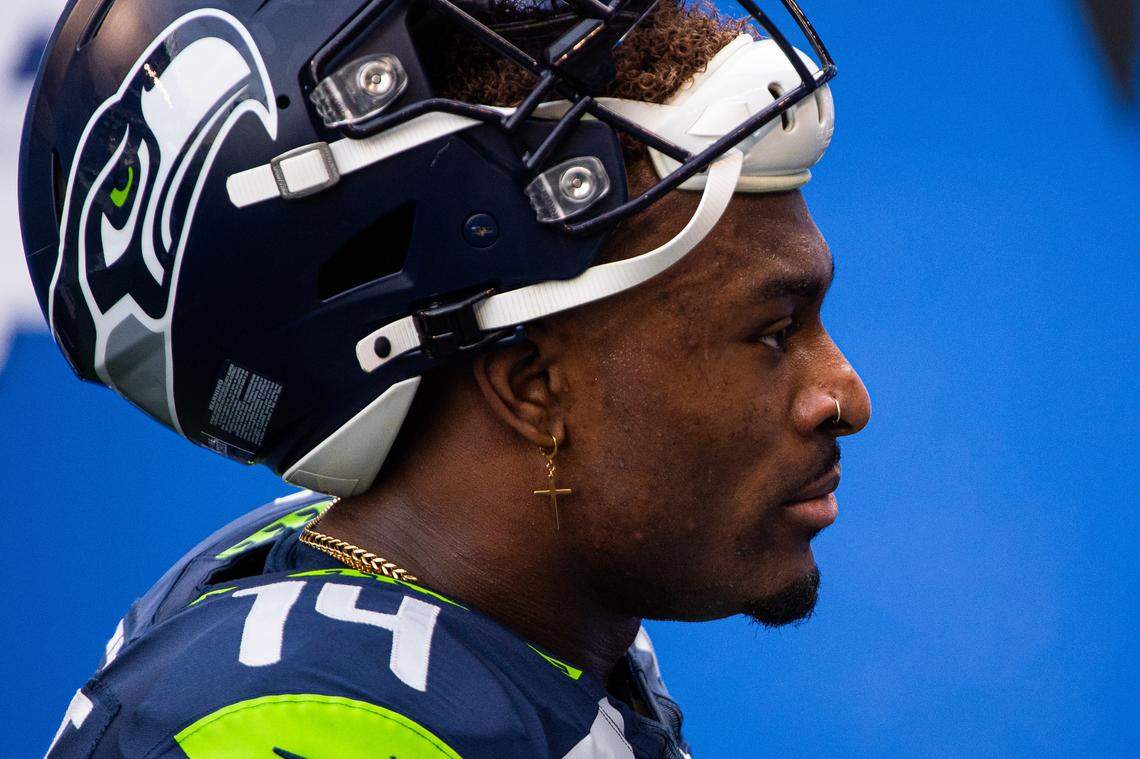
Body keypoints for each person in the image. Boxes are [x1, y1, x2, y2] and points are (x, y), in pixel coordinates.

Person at [24, 0, 869, 755]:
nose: (847, 397)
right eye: (771, 331)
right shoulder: (313, 725)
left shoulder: (510, 621)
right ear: (530, 383)